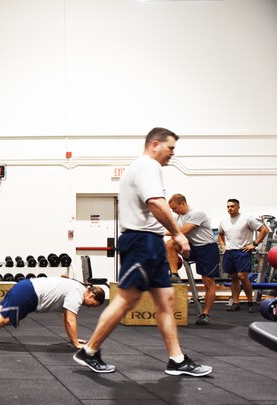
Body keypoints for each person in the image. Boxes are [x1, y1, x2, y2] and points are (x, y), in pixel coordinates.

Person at [73, 127, 213, 376]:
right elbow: (156, 202)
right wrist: (178, 234)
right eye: (170, 148)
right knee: (127, 300)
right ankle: (90, 350)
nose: (172, 154)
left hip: (151, 241)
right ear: (155, 144)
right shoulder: (148, 166)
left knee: (165, 301)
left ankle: (177, 360)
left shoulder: (141, 167)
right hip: (141, 242)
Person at [0, 277, 105, 348]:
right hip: (29, 294)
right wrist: (76, 343)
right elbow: (71, 319)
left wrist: (73, 339)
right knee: (0, 320)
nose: (89, 307)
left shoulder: (76, 287)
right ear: (91, 295)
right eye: (92, 305)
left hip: (26, 287)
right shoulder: (77, 293)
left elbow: (66, 317)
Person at [165, 194, 219, 325]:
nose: (173, 211)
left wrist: (163, 232)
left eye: (175, 208)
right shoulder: (178, 217)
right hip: (191, 247)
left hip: (207, 249)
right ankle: (174, 274)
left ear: (183, 203)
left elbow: (183, 231)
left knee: (208, 282)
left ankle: (205, 314)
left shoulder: (197, 213)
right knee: (170, 243)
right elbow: (172, 231)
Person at [218, 199, 269, 313]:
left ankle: (250, 302)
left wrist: (254, 244)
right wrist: (223, 246)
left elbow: (264, 230)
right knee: (234, 277)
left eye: (232, 206)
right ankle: (236, 302)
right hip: (229, 252)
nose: (230, 208)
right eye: (228, 207)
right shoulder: (224, 221)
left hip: (243, 251)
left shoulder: (247, 219)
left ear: (238, 207)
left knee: (242, 276)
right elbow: (220, 234)